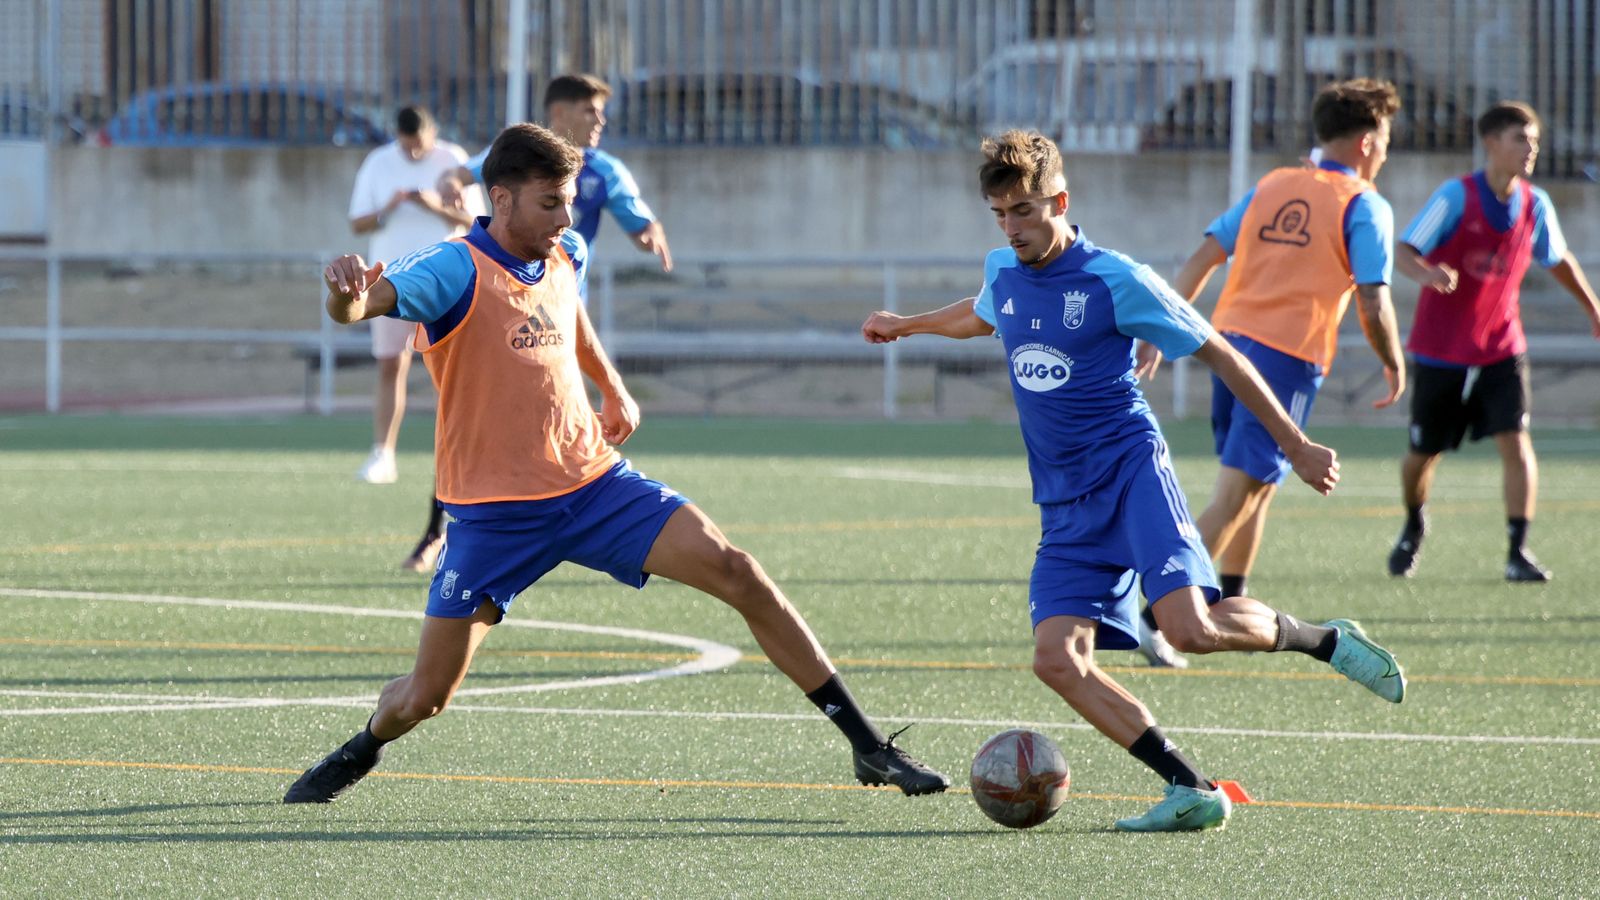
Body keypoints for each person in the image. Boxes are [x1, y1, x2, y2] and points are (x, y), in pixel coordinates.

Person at [284, 123, 947, 804]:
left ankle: (868, 747)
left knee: (737, 570)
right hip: (494, 519)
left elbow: (567, 315)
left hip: (594, 485)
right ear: (503, 201)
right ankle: (362, 746)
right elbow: (362, 305)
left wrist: (612, 385)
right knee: (425, 697)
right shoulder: (453, 267)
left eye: (569, 200)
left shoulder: (562, 251)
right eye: (550, 202)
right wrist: (344, 291)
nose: (567, 218)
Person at [860, 130, 1405, 832]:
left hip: (1129, 473)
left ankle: (1325, 639)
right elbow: (982, 313)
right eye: (1000, 214)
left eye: (1024, 211)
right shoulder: (1003, 268)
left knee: (1190, 628)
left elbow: (1223, 354)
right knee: (1056, 659)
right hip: (1064, 503)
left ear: (1060, 201)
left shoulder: (1117, 278)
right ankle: (1188, 786)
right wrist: (907, 325)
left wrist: (1295, 444)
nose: (1011, 227)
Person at [1134, 79, 1406, 667]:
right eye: (1384, 140)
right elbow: (1373, 300)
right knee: (1236, 493)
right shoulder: (1365, 204)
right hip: (1285, 359)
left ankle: (1229, 598)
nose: (1385, 152)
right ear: (1365, 142)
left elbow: (1203, 256)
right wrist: (1393, 360)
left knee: (1258, 489)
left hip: (1228, 345)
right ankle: (1155, 609)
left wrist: (1160, 328)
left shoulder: (1273, 184)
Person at [401, 73, 675, 572]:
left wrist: (649, 232)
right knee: (475, 428)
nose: (600, 122)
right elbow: (457, 177)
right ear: (560, 114)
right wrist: (455, 201)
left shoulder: (604, 170)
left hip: (560, 320)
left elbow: (637, 215)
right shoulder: (517, 157)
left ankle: (580, 522)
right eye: (590, 111)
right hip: (498, 310)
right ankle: (439, 535)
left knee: (567, 441)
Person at [1386, 100, 1600, 582]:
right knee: (1423, 453)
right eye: (1520, 139)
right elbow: (1403, 250)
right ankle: (1413, 522)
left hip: (1502, 346)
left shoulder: (1535, 203)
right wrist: (1426, 272)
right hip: (1441, 349)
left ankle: (1517, 550)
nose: (1530, 150)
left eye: (1535, 141)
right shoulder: (1455, 198)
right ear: (1491, 143)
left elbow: (1557, 258)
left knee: (1516, 441)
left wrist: (1592, 305)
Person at [347, 106, 482, 487]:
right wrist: (389, 208)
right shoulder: (378, 162)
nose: (413, 154)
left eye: (419, 146)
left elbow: (477, 224)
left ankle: (467, 456)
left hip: (447, 281)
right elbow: (357, 223)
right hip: (390, 281)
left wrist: (434, 206)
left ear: (432, 133)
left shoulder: (453, 160)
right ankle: (382, 454)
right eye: (407, 147)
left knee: (457, 371)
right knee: (391, 365)